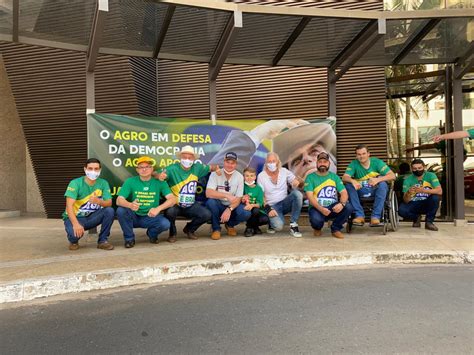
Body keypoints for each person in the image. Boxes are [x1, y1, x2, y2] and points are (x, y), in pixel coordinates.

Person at [157, 145, 219, 243]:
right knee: (170, 212)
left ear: (194, 159)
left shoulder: (198, 168)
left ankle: (189, 229)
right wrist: (159, 176)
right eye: (184, 157)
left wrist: (218, 169)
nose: (187, 160)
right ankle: (172, 233)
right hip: (175, 204)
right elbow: (156, 174)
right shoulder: (172, 169)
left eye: (189, 158)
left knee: (206, 214)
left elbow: (212, 167)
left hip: (190, 205)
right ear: (180, 158)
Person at [116, 156, 176, 248]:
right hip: (134, 216)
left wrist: (158, 208)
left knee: (165, 224)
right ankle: (129, 239)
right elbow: (119, 200)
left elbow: (172, 199)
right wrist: (130, 205)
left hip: (150, 216)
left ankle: (152, 235)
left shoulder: (160, 182)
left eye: (147, 167)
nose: (144, 169)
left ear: (152, 169)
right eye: (141, 167)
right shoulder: (130, 181)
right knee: (121, 210)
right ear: (137, 170)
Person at [63, 158, 115, 251]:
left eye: (96, 169)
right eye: (90, 168)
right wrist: (76, 224)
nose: (93, 171)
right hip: (75, 217)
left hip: (92, 217)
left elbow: (109, 203)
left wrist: (99, 202)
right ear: (85, 169)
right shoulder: (75, 183)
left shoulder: (103, 183)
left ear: (100, 170)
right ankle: (73, 241)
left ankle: (103, 241)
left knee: (109, 211)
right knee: (74, 235)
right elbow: (69, 206)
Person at [342, 144, 395, 227]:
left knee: (383, 185)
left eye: (363, 153)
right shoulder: (354, 164)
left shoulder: (377, 162)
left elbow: (392, 176)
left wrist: (378, 179)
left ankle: (375, 217)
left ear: (368, 154)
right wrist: (352, 180)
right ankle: (359, 216)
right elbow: (345, 177)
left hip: (375, 190)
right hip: (360, 190)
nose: (361, 156)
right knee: (349, 186)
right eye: (359, 154)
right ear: (356, 156)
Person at [304, 152, 352, 239]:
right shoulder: (310, 177)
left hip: (332, 208)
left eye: (325, 162)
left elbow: (344, 193)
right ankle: (317, 228)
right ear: (317, 163)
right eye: (320, 161)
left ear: (329, 163)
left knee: (348, 207)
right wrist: (321, 209)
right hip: (317, 208)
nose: (322, 164)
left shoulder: (335, 177)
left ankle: (335, 229)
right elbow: (310, 197)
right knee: (316, 221)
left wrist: (341, 204)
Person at [205, 152, 251, 240]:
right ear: (224, 162)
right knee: (211, 202)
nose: (230, 165)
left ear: (236, 164)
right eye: (227, 162)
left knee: (246, 213)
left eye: (232, 163)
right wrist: (226, 195)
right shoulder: (215, 174)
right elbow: (208, 193)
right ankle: (216, 229)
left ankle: (230, 225)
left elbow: (238, 198)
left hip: (232, 206)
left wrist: (229, 209)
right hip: (219, 205)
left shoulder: (239, 176)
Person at [257, 152, 303, 237]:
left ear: (278, 162)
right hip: (272, 207)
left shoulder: (284, 171)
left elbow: (295, 181)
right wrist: (269, 209)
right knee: (278, 227)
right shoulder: (261, 176)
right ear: (266, 163)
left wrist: (297, 182)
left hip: (284, 203)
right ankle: (271, 223)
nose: (272, 163)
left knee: (297, 194)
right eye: (269, 161)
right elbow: (261, 195)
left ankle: (293, 224)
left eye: (273, 161)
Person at [398, 159, 442, 231]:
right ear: (411, 169)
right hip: (414, 203)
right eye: (415, 169)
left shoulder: (431, 175)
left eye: (419, 168)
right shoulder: (407, 180)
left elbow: (439, 191)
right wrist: (409, 192)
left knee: (435, 197)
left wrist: (423, 190)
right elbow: (405, 200)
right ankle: (416, 217)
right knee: (401, 210)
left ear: (424, 167)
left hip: (427, 202)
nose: (417, 170)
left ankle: (429, 222)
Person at [241, 167, 269, 237]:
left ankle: (255, 227)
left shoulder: (258, 188)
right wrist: (243, 199)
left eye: (251, 175)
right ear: (243, 176)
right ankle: (249, 228)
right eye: (247, 176)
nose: (249, 178)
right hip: (245, 209)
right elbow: (238, 197)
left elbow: (260, 203)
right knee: (253, 211)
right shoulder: (242, 186)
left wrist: (252, 205)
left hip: (255, 208)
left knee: (264, 218)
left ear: (255, 177)